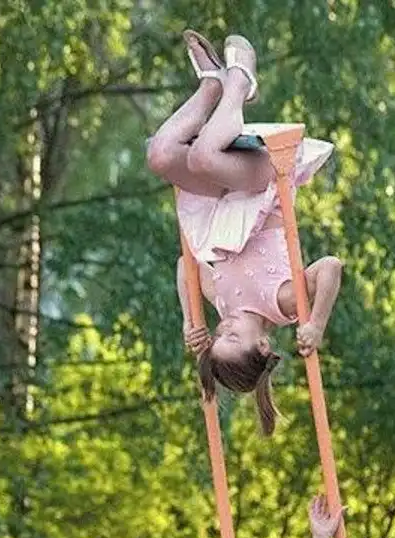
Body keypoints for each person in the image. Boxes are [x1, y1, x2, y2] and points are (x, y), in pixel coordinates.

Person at [146, 30, 343, 435]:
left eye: (219, 335)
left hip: (220, 195)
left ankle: (211, 86)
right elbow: (330, 267)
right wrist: (316, 324)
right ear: (263, 346)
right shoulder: (282, 303)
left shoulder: (221, 302)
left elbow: (186, 266)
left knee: (161, 156)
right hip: (260, 182)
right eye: (233, 338)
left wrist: (190, 317)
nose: (225, 328)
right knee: (202, 156)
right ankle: (240, 81)